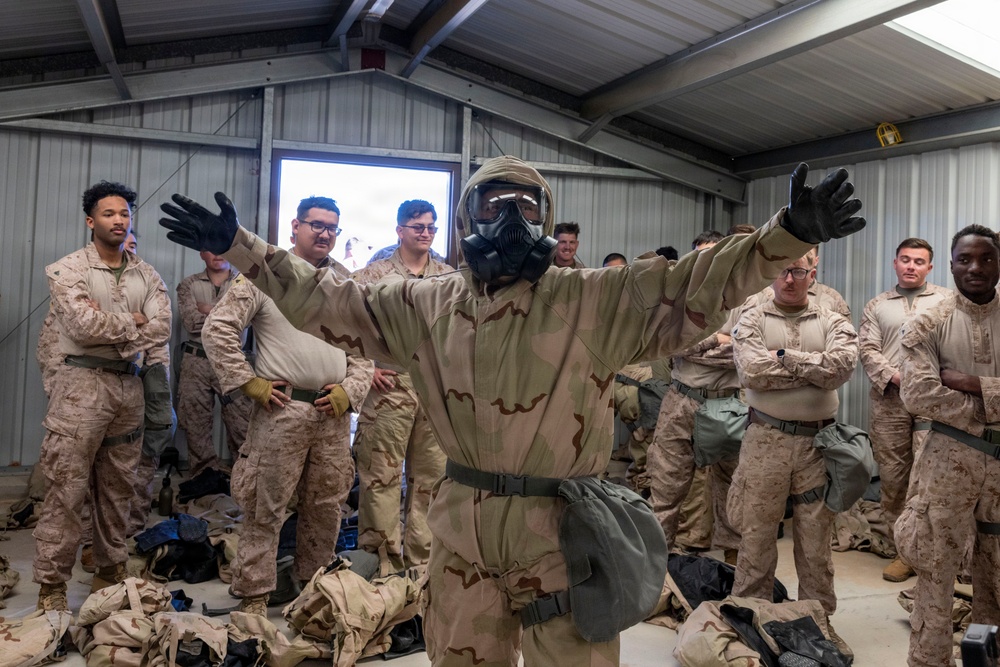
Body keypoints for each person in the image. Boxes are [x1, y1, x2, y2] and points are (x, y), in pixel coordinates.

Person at [160, 158, 865, 666]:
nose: (510, 220)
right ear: (466, 217)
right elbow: (324, 298)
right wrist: (240, 246)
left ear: (547, 220)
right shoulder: (424, 304)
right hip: (461, 526)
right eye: (494, 204)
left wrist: (788, 233)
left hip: (562, 531)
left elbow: (700, 279)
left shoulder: (593, 299)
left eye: (528, 208)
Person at [201, 195, 373, 615]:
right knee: (265, 506)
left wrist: (351, 390)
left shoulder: (345, 283)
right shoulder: (265, 275)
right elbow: (217, 328)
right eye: (317, 224)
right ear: (296, 226)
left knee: (326, 509)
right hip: (282, 412)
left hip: (332, 415)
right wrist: (249, 382)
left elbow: (366, 348)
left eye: (332, 227)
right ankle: (254, 597)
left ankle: (315, 593)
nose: (325, 233)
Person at [34, 181, 171, 610]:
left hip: (128, 387)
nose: (118, 220)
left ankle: (109, 574)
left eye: (124, 214)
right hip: (81, 387)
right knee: (66, 488)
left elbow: (162, 328)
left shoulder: (147, 274)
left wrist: (114, 324)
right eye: (109, 214)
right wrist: (134, 321)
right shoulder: (67, 269)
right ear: (91, 221)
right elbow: (81, 327)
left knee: (119, 488)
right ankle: (52, 587)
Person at [730, 251, 858, 645]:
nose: (789, 278)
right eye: (783, 270)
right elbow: (753, 372)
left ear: (811, 274)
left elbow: (840, 369)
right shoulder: (752, 318)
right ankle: (751, 618)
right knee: (756, 536)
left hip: (818, 445)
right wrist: (813, 369)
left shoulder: (832, 319)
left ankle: (817, 624)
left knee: (816, 542)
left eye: (798, 271)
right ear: (772, 274)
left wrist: (784, 357)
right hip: (766, 440)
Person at [896, 225, 1000, 667]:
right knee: (936, 568)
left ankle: (987, 656)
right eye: (965, 259)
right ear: (952, 265)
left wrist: (971, 382)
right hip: (947, 460)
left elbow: (942, 391)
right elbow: (919, 394)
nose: (975, 267)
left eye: (986, 258)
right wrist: (992, 406)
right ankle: (929, 660)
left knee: (996, 573)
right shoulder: (928, 321)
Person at [350, 199, 451, 572]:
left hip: (435, 389)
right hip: (389, 386)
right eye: (418, 227)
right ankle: (382, 566)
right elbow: (344, 322)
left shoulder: (449, 277)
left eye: (431, 227)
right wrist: (365, 368)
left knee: (432, 480)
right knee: (381, 478)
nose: (426, 233)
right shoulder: (372, 275)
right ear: (400, 230)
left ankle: (423, 564)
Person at [648, 230, 745, 563]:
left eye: (714, 253)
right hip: (681, 401)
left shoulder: (746, 298)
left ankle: (732, 568)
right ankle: (656, 567)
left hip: (728, 404)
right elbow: (668, 345)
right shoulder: (679, 298)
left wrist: (697, 346)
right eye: (700, 255)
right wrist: (719, 340)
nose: (707, 261)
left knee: (733, 491)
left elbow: (746, 351)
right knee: (665, 489)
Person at [859, 238, 949, 583]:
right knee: (894, 477)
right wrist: (896, 376)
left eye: (919, 261)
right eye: (906, 260)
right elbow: (867, 349)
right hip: (890, 401)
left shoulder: (946, 301)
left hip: (933, 400)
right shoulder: (877, 305)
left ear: (930, 267)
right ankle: (903, 552)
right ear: (895, 263)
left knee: (929, 476)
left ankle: (931, 550)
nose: (911, 266)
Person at [176, 251, 252, 475]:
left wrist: (207, 309)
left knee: (243, 423)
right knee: (195, 423)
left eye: (222, 248)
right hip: (195, 361)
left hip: (231, 361)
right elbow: (191, 322)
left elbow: (244, 320)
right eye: (211, 248)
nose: (217, 253)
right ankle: (204, 478)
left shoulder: (245, 284)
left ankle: (243, 478)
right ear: (202, 254)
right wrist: (228, 313)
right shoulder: (188, 284)